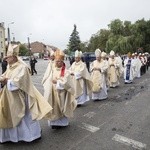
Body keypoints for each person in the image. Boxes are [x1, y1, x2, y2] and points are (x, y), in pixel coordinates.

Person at [0, 44, 52, 143]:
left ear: (14, 57)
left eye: (8, 56)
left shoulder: (22, 67)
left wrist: (7, 81)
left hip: (22, 97)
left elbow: (20, 82)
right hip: (9, 96)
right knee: (9, 114)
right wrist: (3, 80)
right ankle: (11, 137)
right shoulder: (9, 66)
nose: (6, 58)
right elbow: (5, 76)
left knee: (25, 117)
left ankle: (31, 136)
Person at [42, 49, 77, 129]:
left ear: (63, 62)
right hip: (53, 93)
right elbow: (47, 78)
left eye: (60, 61)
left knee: (61, 108)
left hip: (62, 94)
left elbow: (67, 83)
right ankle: (54, 123)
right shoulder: (53, 69)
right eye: (57, 61)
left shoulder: (66, 71)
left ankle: (62, 123)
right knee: (53, 107)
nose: (58, 63)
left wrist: (57, 82)